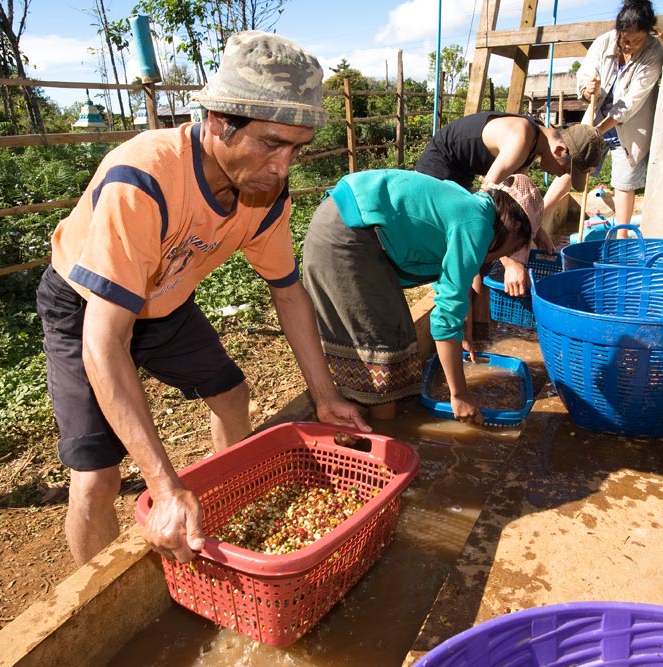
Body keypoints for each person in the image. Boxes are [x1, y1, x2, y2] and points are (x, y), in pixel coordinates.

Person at [36, 31, 369, 567]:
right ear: (217, 121)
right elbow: (104, 343)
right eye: (270, 143)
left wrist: (325, 395)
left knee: (232, 396)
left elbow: (288, 294)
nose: (283, 167)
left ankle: (228, 512)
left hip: (165, 299)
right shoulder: (143, 178)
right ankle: (92, 603)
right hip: (85, 307)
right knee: (97, 472)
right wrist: (164, 484)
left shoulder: (266, 193)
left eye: (296, 149)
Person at [302, 170, 540, 424]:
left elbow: (450, 286)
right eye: (515, 247)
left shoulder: (471, 206)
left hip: (345, 221)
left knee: (395, 330)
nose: (507, 255)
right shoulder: (477, 224)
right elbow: (446, 316)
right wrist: (459, 395)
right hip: (347, 234)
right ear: (514, 226)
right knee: (381, 341)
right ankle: (385, 435)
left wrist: (465, 335)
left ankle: (376, 424)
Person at [415, 113, 605, 296]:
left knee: (480, 262)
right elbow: (485, 204)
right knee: (462, 254)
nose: (561, 175)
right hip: (439, 168)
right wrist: (509, 261)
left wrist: (536, 230)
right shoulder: (521, 138)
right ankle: (459, 309)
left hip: (462, 173)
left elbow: (513, 200)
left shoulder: (535, 143)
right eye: (566, 170)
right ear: (560, 150)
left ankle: (479, 322)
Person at [576, 0, 663, 237]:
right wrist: (587, 89)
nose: (629, 46)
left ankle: (621, 242)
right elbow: (584, 75)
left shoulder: (653, 53)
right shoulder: (604, 42)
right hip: (596, 119)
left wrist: (598, 131)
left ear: (648, 33)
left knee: (625, 184)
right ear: (618, 32)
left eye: (637, 40)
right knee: (573, 171)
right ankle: (538, 225)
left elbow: (630, 103)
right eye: (625, 40)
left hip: (629, 128)